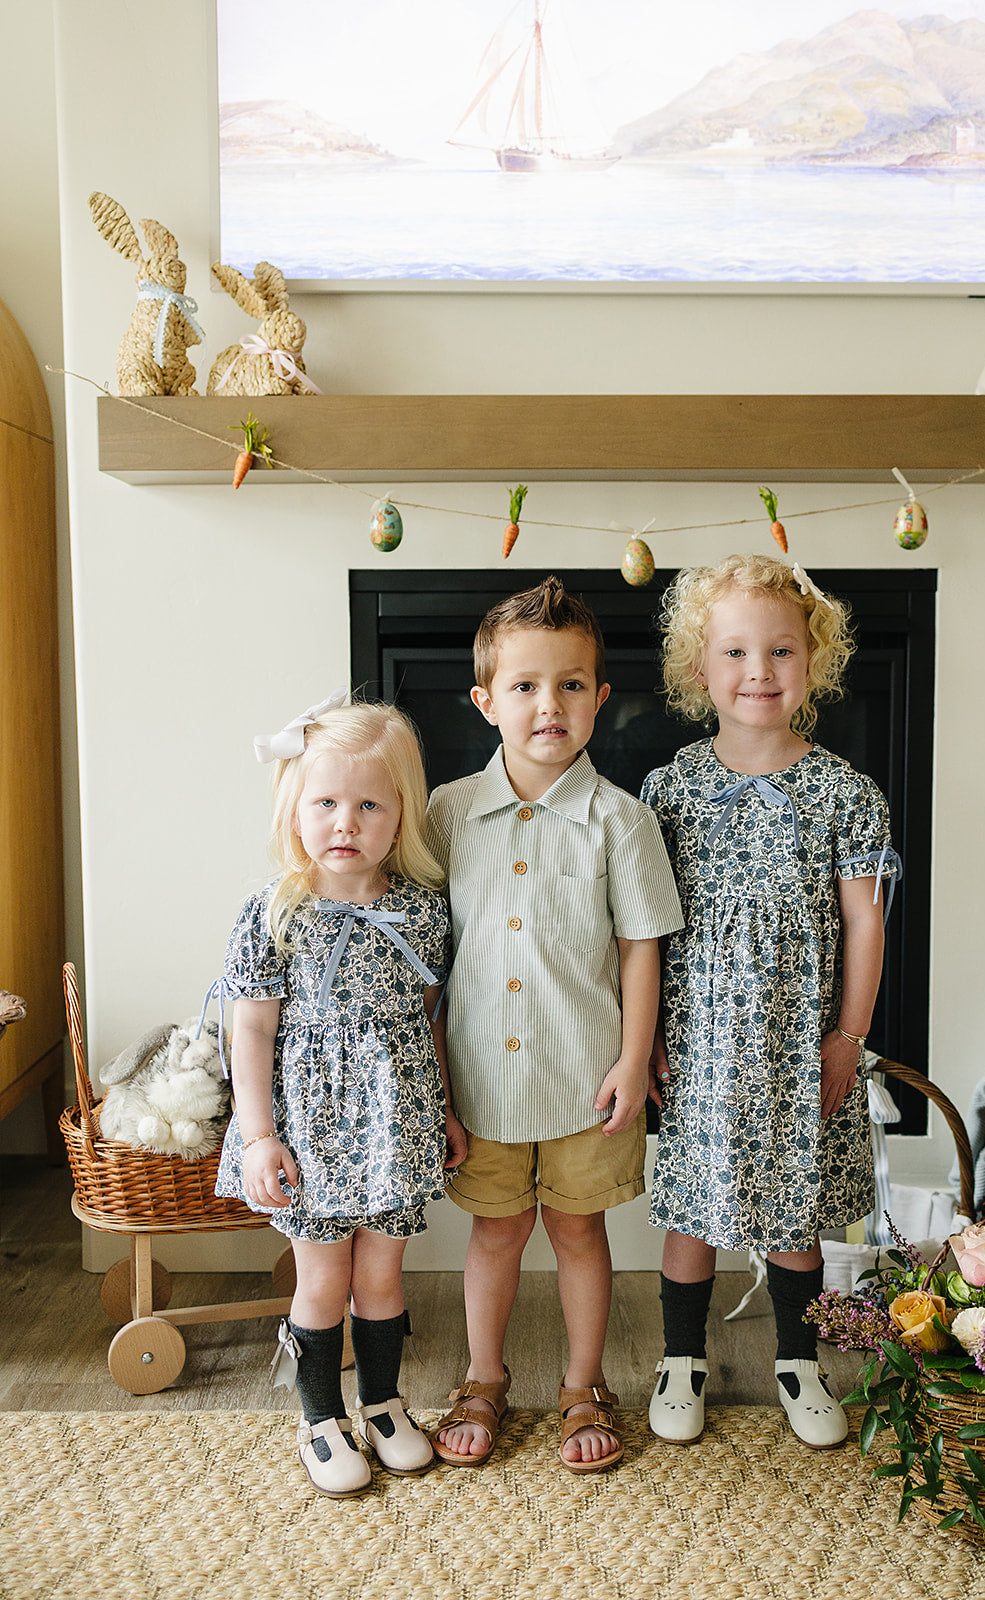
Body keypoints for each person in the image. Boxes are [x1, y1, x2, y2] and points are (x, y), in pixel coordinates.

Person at [640, 555, 900, 1450]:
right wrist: (643, 1041)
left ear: (812, 664)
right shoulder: (668, 791)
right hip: (698, 1039)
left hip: (799, 1041)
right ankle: (682, 1358)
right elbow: (640, 932)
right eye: (736, 652)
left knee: (794, 1209)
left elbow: (864, 923)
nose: (759, 671)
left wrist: (849, 1038)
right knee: (693, 1207)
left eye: (781, 650)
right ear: (698, 669)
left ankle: (798, 1357)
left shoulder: (843, 793)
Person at [425, 577, 683, 1473]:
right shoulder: (446, 814)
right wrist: (436, 1084)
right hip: (480, 1082)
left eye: (571, 685)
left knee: (579, 1231)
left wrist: (632, 1058)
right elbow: (429, 959)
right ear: (484, 700)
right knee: (494, 1231)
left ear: (600, 699)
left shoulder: (623, 821)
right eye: (526, 686)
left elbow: (641, 949)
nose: (549, 706)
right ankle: (483, 1377)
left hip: (584, 1078)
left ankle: (582, 1384)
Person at [213, 694, 466, 1497]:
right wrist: (258, 1138)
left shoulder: (422, 913)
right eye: (325, 803)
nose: (344, 822)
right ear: (296, 809)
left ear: (400, 816)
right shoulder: (274, 912)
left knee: (383, 1279)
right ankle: (319, 1418)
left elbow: (432, 1023)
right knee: (323, 1281)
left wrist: (447, 1112)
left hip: (396, 1127)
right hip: (308, 1132)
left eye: (367, 804)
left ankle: (383, 1402)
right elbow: (247, 1033)